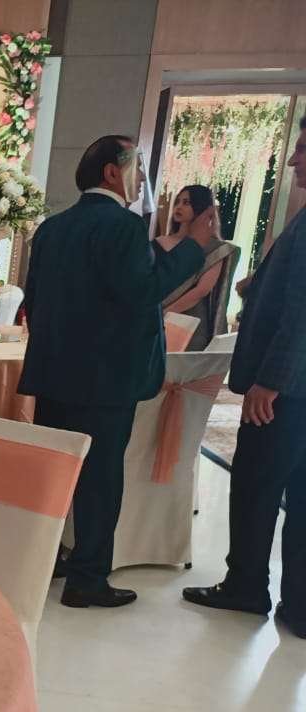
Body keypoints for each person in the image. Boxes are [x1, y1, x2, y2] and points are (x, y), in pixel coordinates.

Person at [19, 134, 216, 608]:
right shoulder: (123, 227)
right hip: (106, 380)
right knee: (100, 481)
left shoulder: (52, 227)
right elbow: (144, 291)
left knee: (56, 471)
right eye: (138, 169)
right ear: (112, 172)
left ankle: (45, 559)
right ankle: (87, 579)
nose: (142, 180)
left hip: (54, 373)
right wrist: (193, 247)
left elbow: (35, 302)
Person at [183, 116, 306, 637]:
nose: (294, 159)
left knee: (257, 484)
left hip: (288, 392)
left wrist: (270, 381)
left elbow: (300, 312)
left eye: (303, 149)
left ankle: (246, 587)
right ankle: (299, 605)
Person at [155, 185, 241, 350]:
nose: (179, 207)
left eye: (186, 203)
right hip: (155, 318)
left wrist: (165, 312)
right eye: (178, 202)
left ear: (201, 208)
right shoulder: (159, 242)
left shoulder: (213, 248)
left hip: (191, 323)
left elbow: (202, 290)